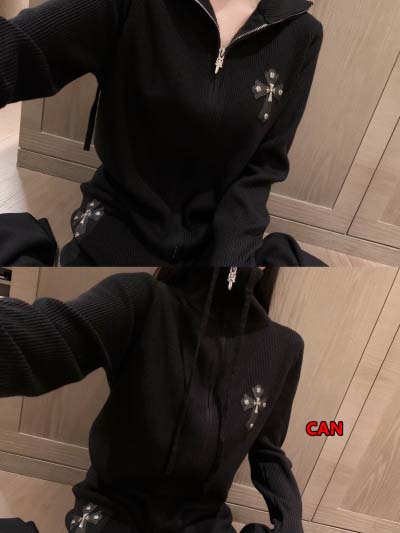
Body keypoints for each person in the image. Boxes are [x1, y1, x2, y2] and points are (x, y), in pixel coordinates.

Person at [0, 0, 324, 266]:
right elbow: (18, 47)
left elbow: (262, 169)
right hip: (113, 228)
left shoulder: (302, 33)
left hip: (211, 249)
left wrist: (230, 267)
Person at [0, 267, 304, 532]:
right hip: (112, 512)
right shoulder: (144, 300)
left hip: (205, 524)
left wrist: (290, 522)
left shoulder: (284, 348)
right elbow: (46, 338)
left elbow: (268, 451)